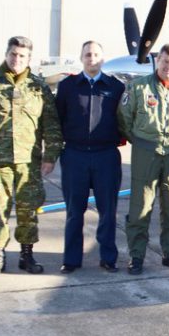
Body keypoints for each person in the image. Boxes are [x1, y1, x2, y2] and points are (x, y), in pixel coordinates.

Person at [0, 36, 63, 277]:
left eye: (22, 56)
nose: (17, 59)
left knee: (29, 210)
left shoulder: (38, 87)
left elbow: (51, 124)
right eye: (13, 54)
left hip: (29, 162)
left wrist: (51, 156)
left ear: (29, 59)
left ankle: (26, 255)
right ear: (7, 54)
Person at [119, 43, 169, 275]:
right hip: (145, 151)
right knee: (140, 206)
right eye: (165, 62)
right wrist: (141, 141)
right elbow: (124, 119)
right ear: (158, 61)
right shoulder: (138, 88)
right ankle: (136, 256)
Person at [54, 41, 125, 273]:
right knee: (75, 211)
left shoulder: (116, 87)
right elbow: (57, 119)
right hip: (75, 156)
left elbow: (124, 119)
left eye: (95, 54)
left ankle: (107, 258)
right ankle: (72, 259)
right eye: (87, 54)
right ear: (81, 57)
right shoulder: (68, 86)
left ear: (103, 58)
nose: (91, 58)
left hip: (106, 156)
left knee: (108, 211)